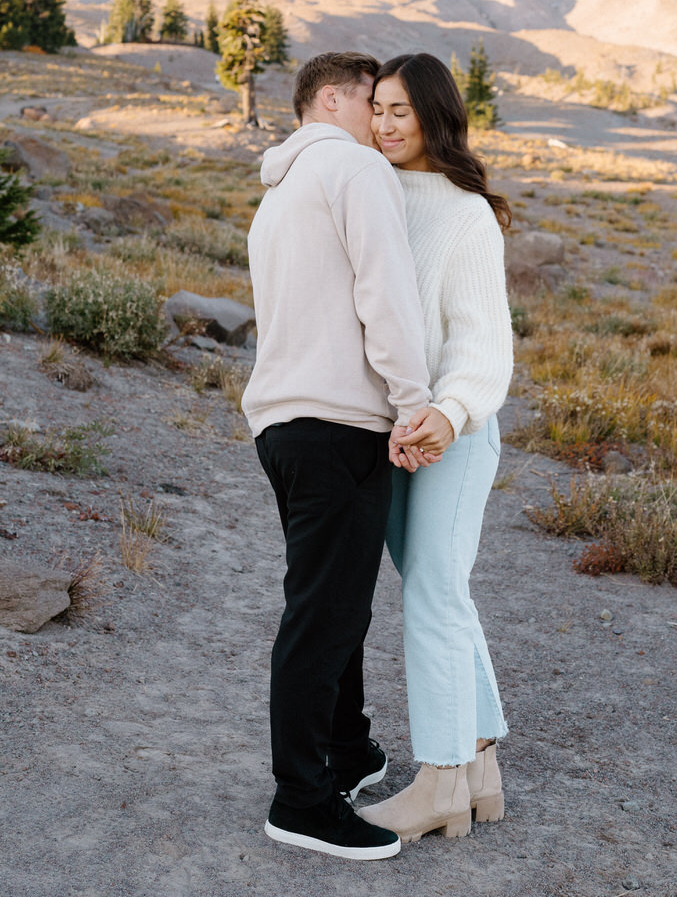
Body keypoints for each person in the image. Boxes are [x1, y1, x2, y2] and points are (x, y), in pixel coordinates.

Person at [243, 51, 435, 862]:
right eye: (373, 102)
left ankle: (349, 753)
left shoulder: (280, 191)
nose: (382, 120)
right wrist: (414, 401)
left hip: (283, 424)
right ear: (332, 97)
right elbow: (383, 292)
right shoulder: (353, 171)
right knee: (325, 612)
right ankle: (301, 800)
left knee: (331, 601)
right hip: (340, 422)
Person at [359, 52, 514, 844]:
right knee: (436, 586)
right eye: (376, 109)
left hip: (454, 434)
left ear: (434, 116)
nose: (385, 125)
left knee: (432, 592)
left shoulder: (463, 212)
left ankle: (441, 781)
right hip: (393, 433)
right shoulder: (370, 190)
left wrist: (449, 416)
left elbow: (485, 344)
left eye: (400, 112)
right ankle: (480, 756)